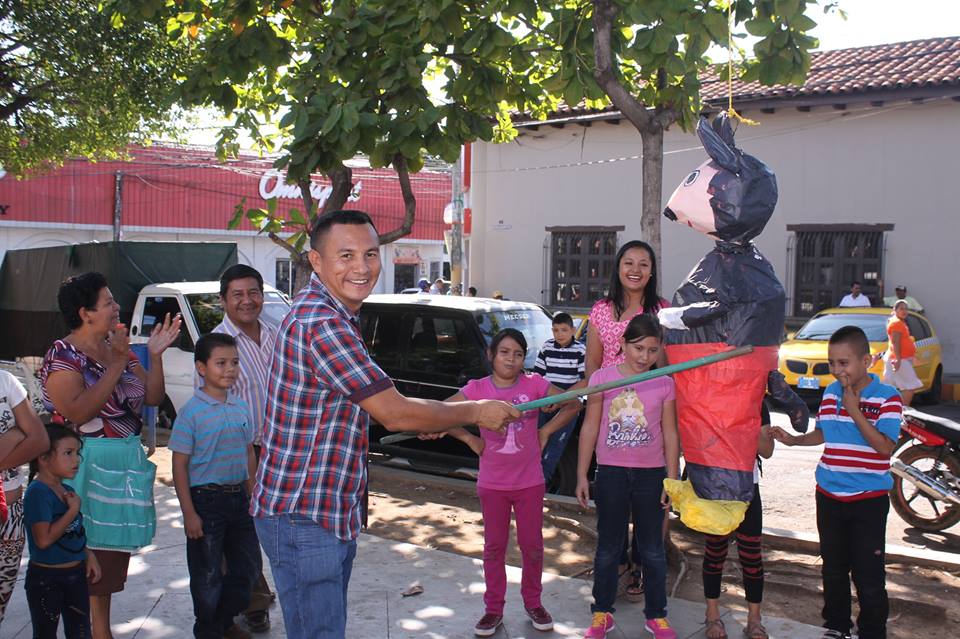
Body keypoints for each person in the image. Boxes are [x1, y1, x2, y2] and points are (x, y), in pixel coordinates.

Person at [251, 209, 519, 639]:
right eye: (346, 255)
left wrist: (433, 419)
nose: (362, 267)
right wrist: (473, 411)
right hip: (304, 514)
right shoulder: (321, 323)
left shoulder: (334, 313)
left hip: (321, 509)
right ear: (316, 262)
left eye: (371, 254)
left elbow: (376, 405)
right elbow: (393, 411)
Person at [39, 271, 181, 639]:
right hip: (83, 472)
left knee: (107, 571)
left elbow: (150, 398)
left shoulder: (117, 346)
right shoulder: (64, 354)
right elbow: (78, 412)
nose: (117, 307)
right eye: (108, 302)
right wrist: (118, 363)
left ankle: (99, 631)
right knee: (82, 566)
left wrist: (153, 355)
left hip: (120, 471)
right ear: (85, 313)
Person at [432, 328, 580, 636]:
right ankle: (493, 609)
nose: (511, 359)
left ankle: (533, 603)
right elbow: (442, 413)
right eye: (504, 352)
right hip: (493, 484)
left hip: (529, 482)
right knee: (494, 547)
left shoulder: (534, 385)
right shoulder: (478, 389)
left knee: (532, 546)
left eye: (517, 354)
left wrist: (545, 432)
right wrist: (470, 439)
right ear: (490, 355)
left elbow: (573, 404)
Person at [772, 325, 900, 639]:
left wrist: (856, 410)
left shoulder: (888, 397)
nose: (836, 370)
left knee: (868, 576)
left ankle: (872, 631)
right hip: (829, 496)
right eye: (832, 363)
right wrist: (793, 440)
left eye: (844, 363)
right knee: (833, 569)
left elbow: (885, 447)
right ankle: (836, 627)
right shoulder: (830, 393)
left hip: (867, 500)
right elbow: (824, 432)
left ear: (866, 361)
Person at [575, 314, 680, 639]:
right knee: (608, 547)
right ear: (622, 344)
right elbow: (590, 427)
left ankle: (656, 616)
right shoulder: (602, 379)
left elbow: (670, 433)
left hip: (652, 477)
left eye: (651, 350)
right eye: (638, 348)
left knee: (652, 549)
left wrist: (672, 480)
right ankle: (602, 613)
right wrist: (581, 474)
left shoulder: (664, 380)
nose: (644, 357)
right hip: (611, 475)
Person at [580, 239, 669, 600]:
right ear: (618, 267)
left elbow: (666, 366)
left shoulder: (663, 310)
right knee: (613, 490)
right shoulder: (601, 309)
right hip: (609, 411)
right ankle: (615, 562)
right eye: (628, 262)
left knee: (650, 496)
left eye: (643, 264)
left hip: (648, 414)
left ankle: (643, 567)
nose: (635, 269)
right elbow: (593, 362)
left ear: (651, 271)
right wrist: (595, 399)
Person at [172, 333, 261, 639]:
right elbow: (179, 465)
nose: (229, 369)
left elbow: (248, 451)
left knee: (248, 570)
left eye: (235, 362)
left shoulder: (240, 407)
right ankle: (210, 630)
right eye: (221, 363)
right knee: (207, 574)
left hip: (240, 501)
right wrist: (189, 513)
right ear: (201, 367)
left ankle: (222, 621)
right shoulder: (190, 414)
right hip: (205, 503)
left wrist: (253, 493)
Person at [212, 264, 277, 632]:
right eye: (237, 295)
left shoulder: (277, 334)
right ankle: (253, 601)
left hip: (283, 450)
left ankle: (256, 594)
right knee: (242, 532)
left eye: (253, 293)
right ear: (223, 300)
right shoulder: (217, 346)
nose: (247, 301)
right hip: (240, 451)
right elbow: (214, 406)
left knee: (280, 528)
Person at [701, 404, 775, 639]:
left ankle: (754, 619)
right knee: (714, 552)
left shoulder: (758, 403)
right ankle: (712, 615)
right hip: (716, 485)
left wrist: (744, 423)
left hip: (747, 488)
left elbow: (767, 450)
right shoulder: (710, 397)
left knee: (752, 556)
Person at [24, 425, 101, 639]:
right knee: (45, 633)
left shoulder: (67, 491)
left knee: (81, 631)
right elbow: (44, 539)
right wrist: (72, 510)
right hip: (46, 579)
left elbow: (73, 532)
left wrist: (87, 553)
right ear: (44, 458)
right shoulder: (38, 493)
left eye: (77, 453)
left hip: (75, 575)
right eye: (68, 453)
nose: (76, 460)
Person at [0, 370, 49, 626]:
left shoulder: (5, 381)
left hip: (11, 520)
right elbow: (28, 433)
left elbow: (39, 439)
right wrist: (16, 434)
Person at [533, 312, 586, 482]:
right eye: (555, 330)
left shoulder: (580, 350)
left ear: (572, 330)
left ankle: (543, 481)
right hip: (546, 402)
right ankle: (531, 478)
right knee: (536, 441)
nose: (559, 334)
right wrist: (541, 400)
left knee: (556, 445)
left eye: (564, 330)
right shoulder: (547, 347)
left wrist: (560, 401)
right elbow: (538, 376)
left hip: (568, 406)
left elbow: (585, 380)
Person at [881, 300, 923, 407]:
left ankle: (891, 411)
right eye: (901, 308)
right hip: (899, 359)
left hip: (897, 358)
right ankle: (902, 411)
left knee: (889, 387)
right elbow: (895, 342)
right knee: (911, 385)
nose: (904, 311)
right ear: (895, 310)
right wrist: (899, 360)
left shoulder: (899, 322)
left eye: (906, 309)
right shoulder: (896, 323)